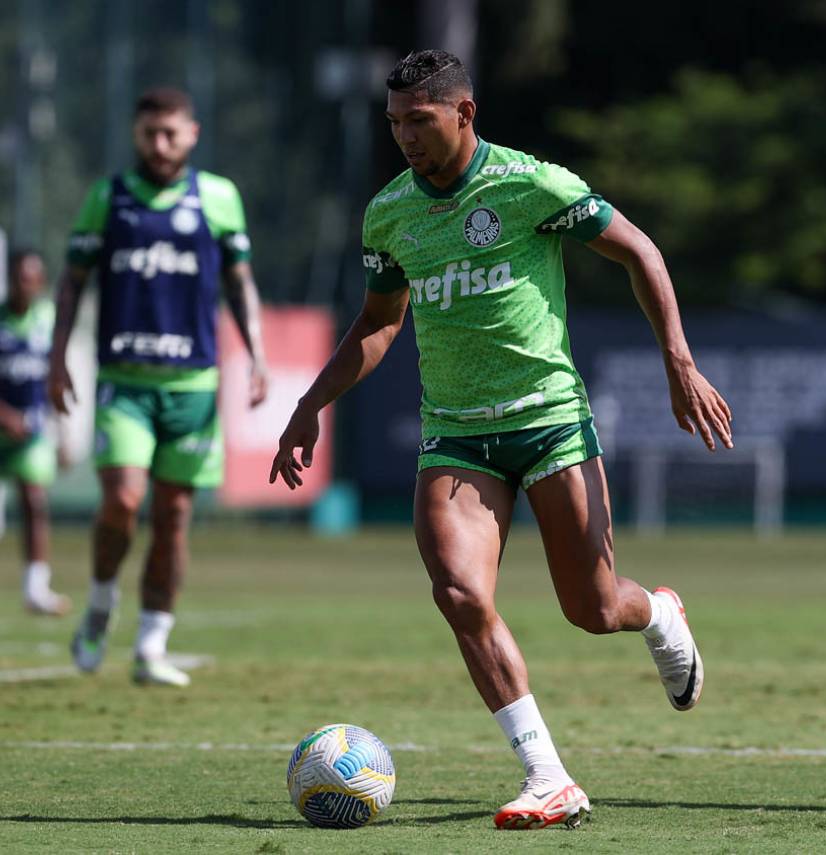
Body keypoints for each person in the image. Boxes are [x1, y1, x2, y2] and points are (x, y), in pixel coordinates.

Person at [271, 50, 731, 831]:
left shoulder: (530, 185)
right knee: (459, 594)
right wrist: (311, 401)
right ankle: (548, 775)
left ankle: (655, 612)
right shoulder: (389, 213)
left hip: (549, 420)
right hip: (455, 436)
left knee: (591, 608)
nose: (407, 138)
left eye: (420, 121)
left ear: (464, 113)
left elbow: (640, 252)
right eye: (395, 124)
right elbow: (382, 321)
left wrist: (678, 362)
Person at [50, 87, 269, 687]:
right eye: (150, 132)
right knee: (122, 502)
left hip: (194, 387)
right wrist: (56, 357)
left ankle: (151, 645)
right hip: (125, 383)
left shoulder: (219, 197)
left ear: (192, 133)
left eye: (171, 132)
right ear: (135, 134)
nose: (160, 144)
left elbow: (239, 283)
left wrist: (256, 355)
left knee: (173, 516)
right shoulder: (109, 197)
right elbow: (71, 282)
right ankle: (99, 604)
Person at [0, 249, 69, 616]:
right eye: (18, 278)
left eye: (32, 279)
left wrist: (64, 430)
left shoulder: (48, 320)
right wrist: (5, 416)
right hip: (3, 427)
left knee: (34, 501)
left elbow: (54, 379)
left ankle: (36, 590)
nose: (25, 286)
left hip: (32, 432)